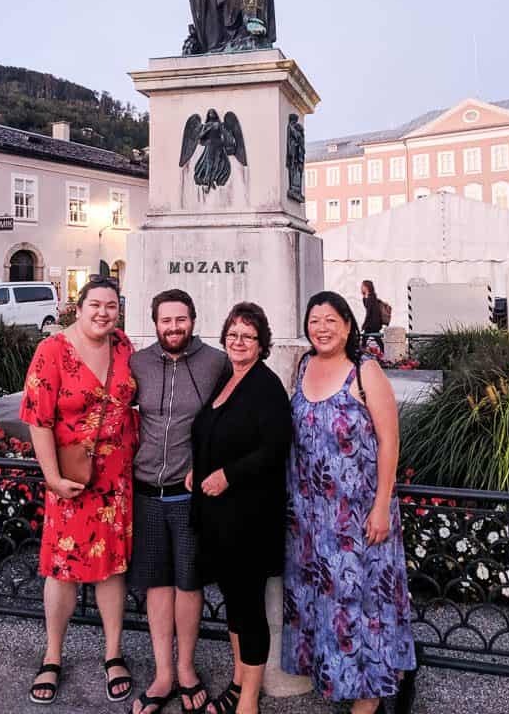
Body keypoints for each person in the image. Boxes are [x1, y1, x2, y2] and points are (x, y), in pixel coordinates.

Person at [282, 291, 417, 714]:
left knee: (364, 607)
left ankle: (371, 695)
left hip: (358, 515)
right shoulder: (303, 365)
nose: (322, 327)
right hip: (310, 518)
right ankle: (340, 678)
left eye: (331, 320)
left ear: (347, 325)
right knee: (328, 606)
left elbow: (389, 441)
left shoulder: (365, 371)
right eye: (315, 319)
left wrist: (381, 506)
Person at [20, 276, 138, 705]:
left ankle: (113, 654)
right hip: (70, 477)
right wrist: (51, 476)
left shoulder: (123, 345)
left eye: (111, 306)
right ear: (79, 306)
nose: (104, 313)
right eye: (96, 305)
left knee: (111, 567)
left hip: (115, 478)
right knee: (61, 567)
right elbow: (37, 418)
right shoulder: (52, 351)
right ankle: (52, 655)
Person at [128, 290, 229, 714]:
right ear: (155, 323)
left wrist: (211, 463)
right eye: (166, 320)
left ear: (193, 320)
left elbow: (231, 420)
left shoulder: (216, 362)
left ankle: (186, 668)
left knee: (188, 584)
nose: (174, 327)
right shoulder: (138, 363)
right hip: (148, 489)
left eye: (181, 320)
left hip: (190, 496)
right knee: (157, 583)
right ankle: (163, 673)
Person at [190, 302, 291, 714]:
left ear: (261, 343)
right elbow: (210, 430)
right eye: (233, 334)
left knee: (249, 609)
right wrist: (197, 469)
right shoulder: (226, 378)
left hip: (249, 518)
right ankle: (236, 682)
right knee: (234, 602)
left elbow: (274, 448)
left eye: (248, 336)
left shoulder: (266, 387)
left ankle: (248, 701)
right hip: (220, 518)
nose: (238, 342)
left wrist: (227, 475)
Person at [360, 279, 383, 353]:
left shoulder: (371, 298)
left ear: (367, 287)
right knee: (377, 338)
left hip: (373, 324)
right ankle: (384, 351)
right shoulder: (369, 297)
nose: (361, 287)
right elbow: (367, 309)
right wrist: (364, 297)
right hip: (374, 324)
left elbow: (368, 313)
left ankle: (362, 352)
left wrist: (364, 325)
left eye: (362, 286)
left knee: (364, 337)